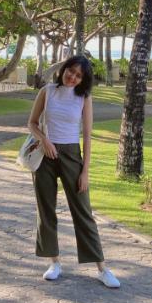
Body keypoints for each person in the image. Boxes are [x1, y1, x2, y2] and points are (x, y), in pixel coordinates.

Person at [27, 55, 120, 288]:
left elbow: (87, 136)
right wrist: (44, 140)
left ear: (83, 80)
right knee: (46, 210)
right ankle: (54, 263)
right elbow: (32, 123)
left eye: (79, 76)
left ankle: (102, 268)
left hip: (71, 155)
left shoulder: (84, 97)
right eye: (71, 71)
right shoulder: (47, 91)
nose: (73, 77)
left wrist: (85, 171)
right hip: (45, 155)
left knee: (83, 211)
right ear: (64, 69)